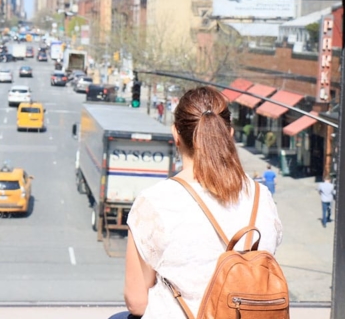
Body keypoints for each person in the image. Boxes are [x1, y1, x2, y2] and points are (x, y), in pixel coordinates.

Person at [109, 85, 282, 319]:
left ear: (176, 135)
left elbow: (137, 302)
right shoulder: (262, 198)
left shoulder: (154, 202)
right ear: (229, 135)